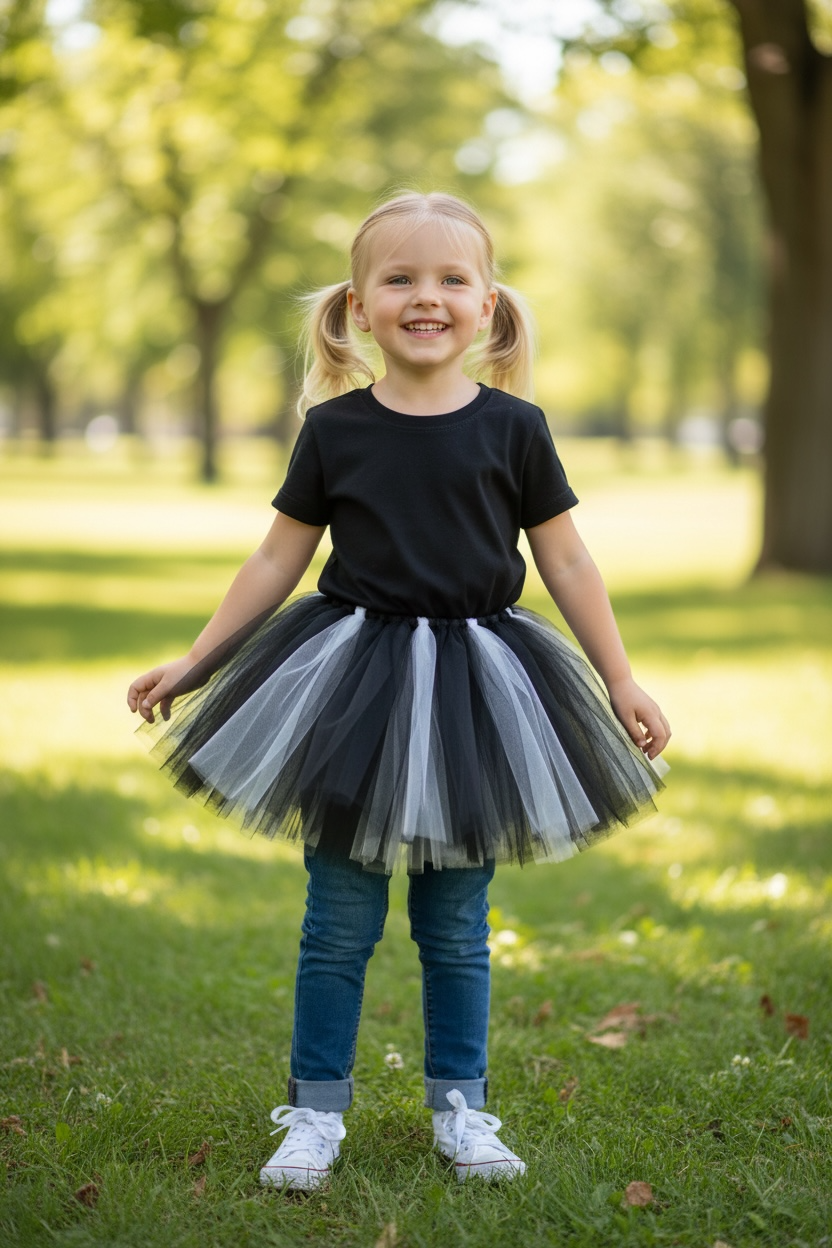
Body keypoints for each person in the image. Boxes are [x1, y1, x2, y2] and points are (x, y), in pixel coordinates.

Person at [128, 191, 670, 1191]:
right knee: (336, 920)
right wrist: (195, 661)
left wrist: (619, 674)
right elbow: (273, 561)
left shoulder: (515, 430)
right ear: (358, 306)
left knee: (456, 925)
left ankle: (461, 1107)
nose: (427, 296)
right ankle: (315, 1112)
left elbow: (568, 563)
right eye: (401, 279)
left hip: (482, 695)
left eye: (451, 279)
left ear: (489, 305)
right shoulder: (335, 431)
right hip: (351, 694)